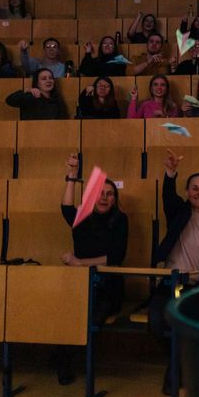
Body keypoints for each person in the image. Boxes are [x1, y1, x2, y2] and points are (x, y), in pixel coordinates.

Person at [149, 148, 199, 392]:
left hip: (196, 287)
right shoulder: (178, 212)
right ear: (188, 192)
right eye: (195, 188)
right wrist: (171, 172)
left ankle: (175, 372)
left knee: (187, 325)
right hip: (169, 284)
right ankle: (178, 364)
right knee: (156, 324)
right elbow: (168, 197)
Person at [55, 154, 128, 384]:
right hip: (81, 283)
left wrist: (79, 262)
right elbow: (65, 207)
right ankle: (61, 357)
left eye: (109, 195)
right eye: (100, 193)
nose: (104, 198)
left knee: (91, 317)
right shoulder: (82, 217)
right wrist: (73, 176)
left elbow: (115, 257)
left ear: (115, 200)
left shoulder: (120, 220)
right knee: (64, 312)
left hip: (108, 285)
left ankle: (66, 361)